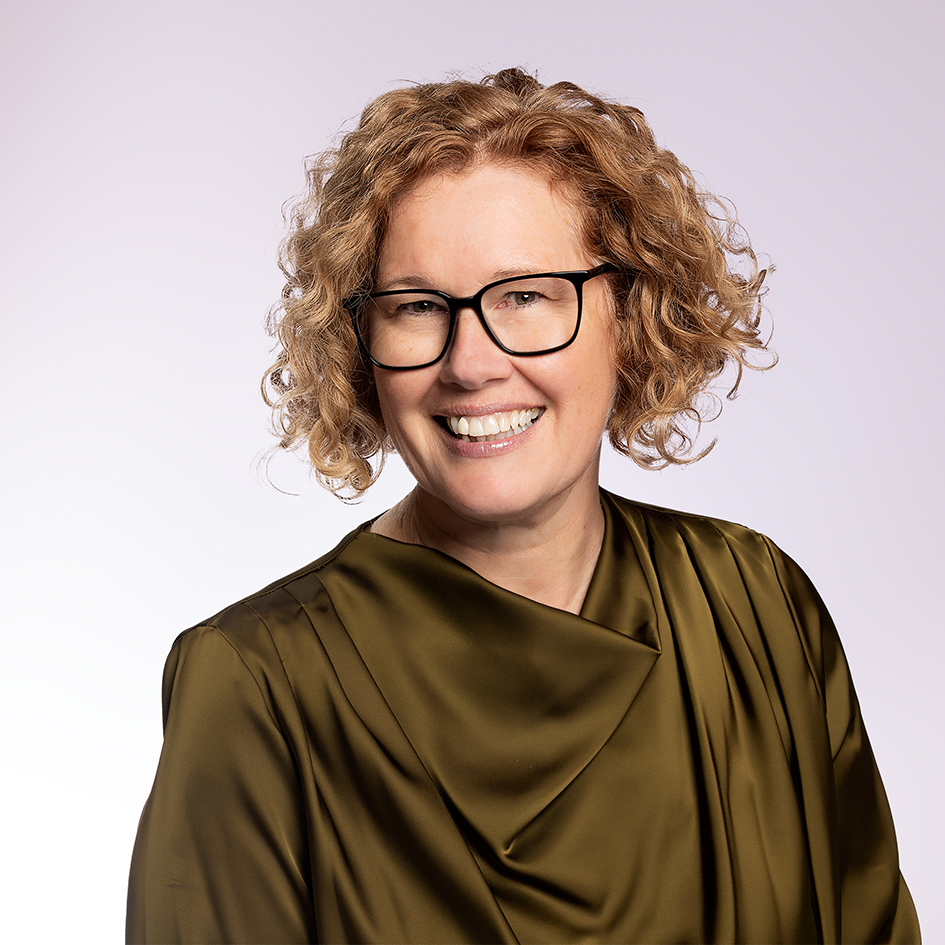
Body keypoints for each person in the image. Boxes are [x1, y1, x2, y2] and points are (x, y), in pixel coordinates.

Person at [126, 68, 920, 944]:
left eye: (525, 296)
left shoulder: (756, 605)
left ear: (630, 314)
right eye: (417, 306)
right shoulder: (255, 686)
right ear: (359, 343)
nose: (470, 362)